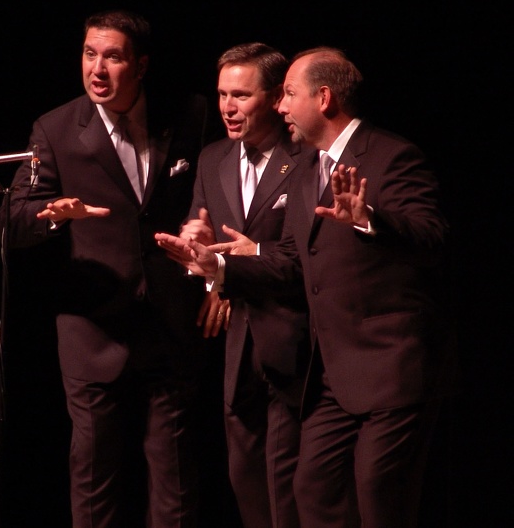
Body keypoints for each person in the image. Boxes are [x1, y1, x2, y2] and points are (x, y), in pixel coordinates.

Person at [155, 47, 454, 528]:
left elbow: (433, 238)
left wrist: (370, 220)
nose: (281, 106)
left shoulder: (391, 155)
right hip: (330, 372)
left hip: (389, 364)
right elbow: (292, 260)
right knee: (313, 489)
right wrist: (218, 267)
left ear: (324, 98)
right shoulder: (308, 171)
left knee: (379, 497)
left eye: (289, 94)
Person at [0, 9, 211, 528]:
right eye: (89, 54)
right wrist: (52, 215)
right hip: (93, 328)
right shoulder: (55, 128)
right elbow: (11, 221)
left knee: (176, 480)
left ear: (140, 65)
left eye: (112, 57)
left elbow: (215, 188)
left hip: (170, 323)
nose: (97, 68)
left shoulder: (189, 114)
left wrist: (207, 240)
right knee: (94, 480)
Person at [181, 42, 310, 528]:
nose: (227, 108)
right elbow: (203, 234)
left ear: (276, 98)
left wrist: (244, 259)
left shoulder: (305, 157)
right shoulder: (212, 157)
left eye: (241, 95)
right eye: (222, 95)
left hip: (292, 342)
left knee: (286, 490)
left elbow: (308, 255)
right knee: (245, 482)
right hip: (236, 349)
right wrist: (195, 245)